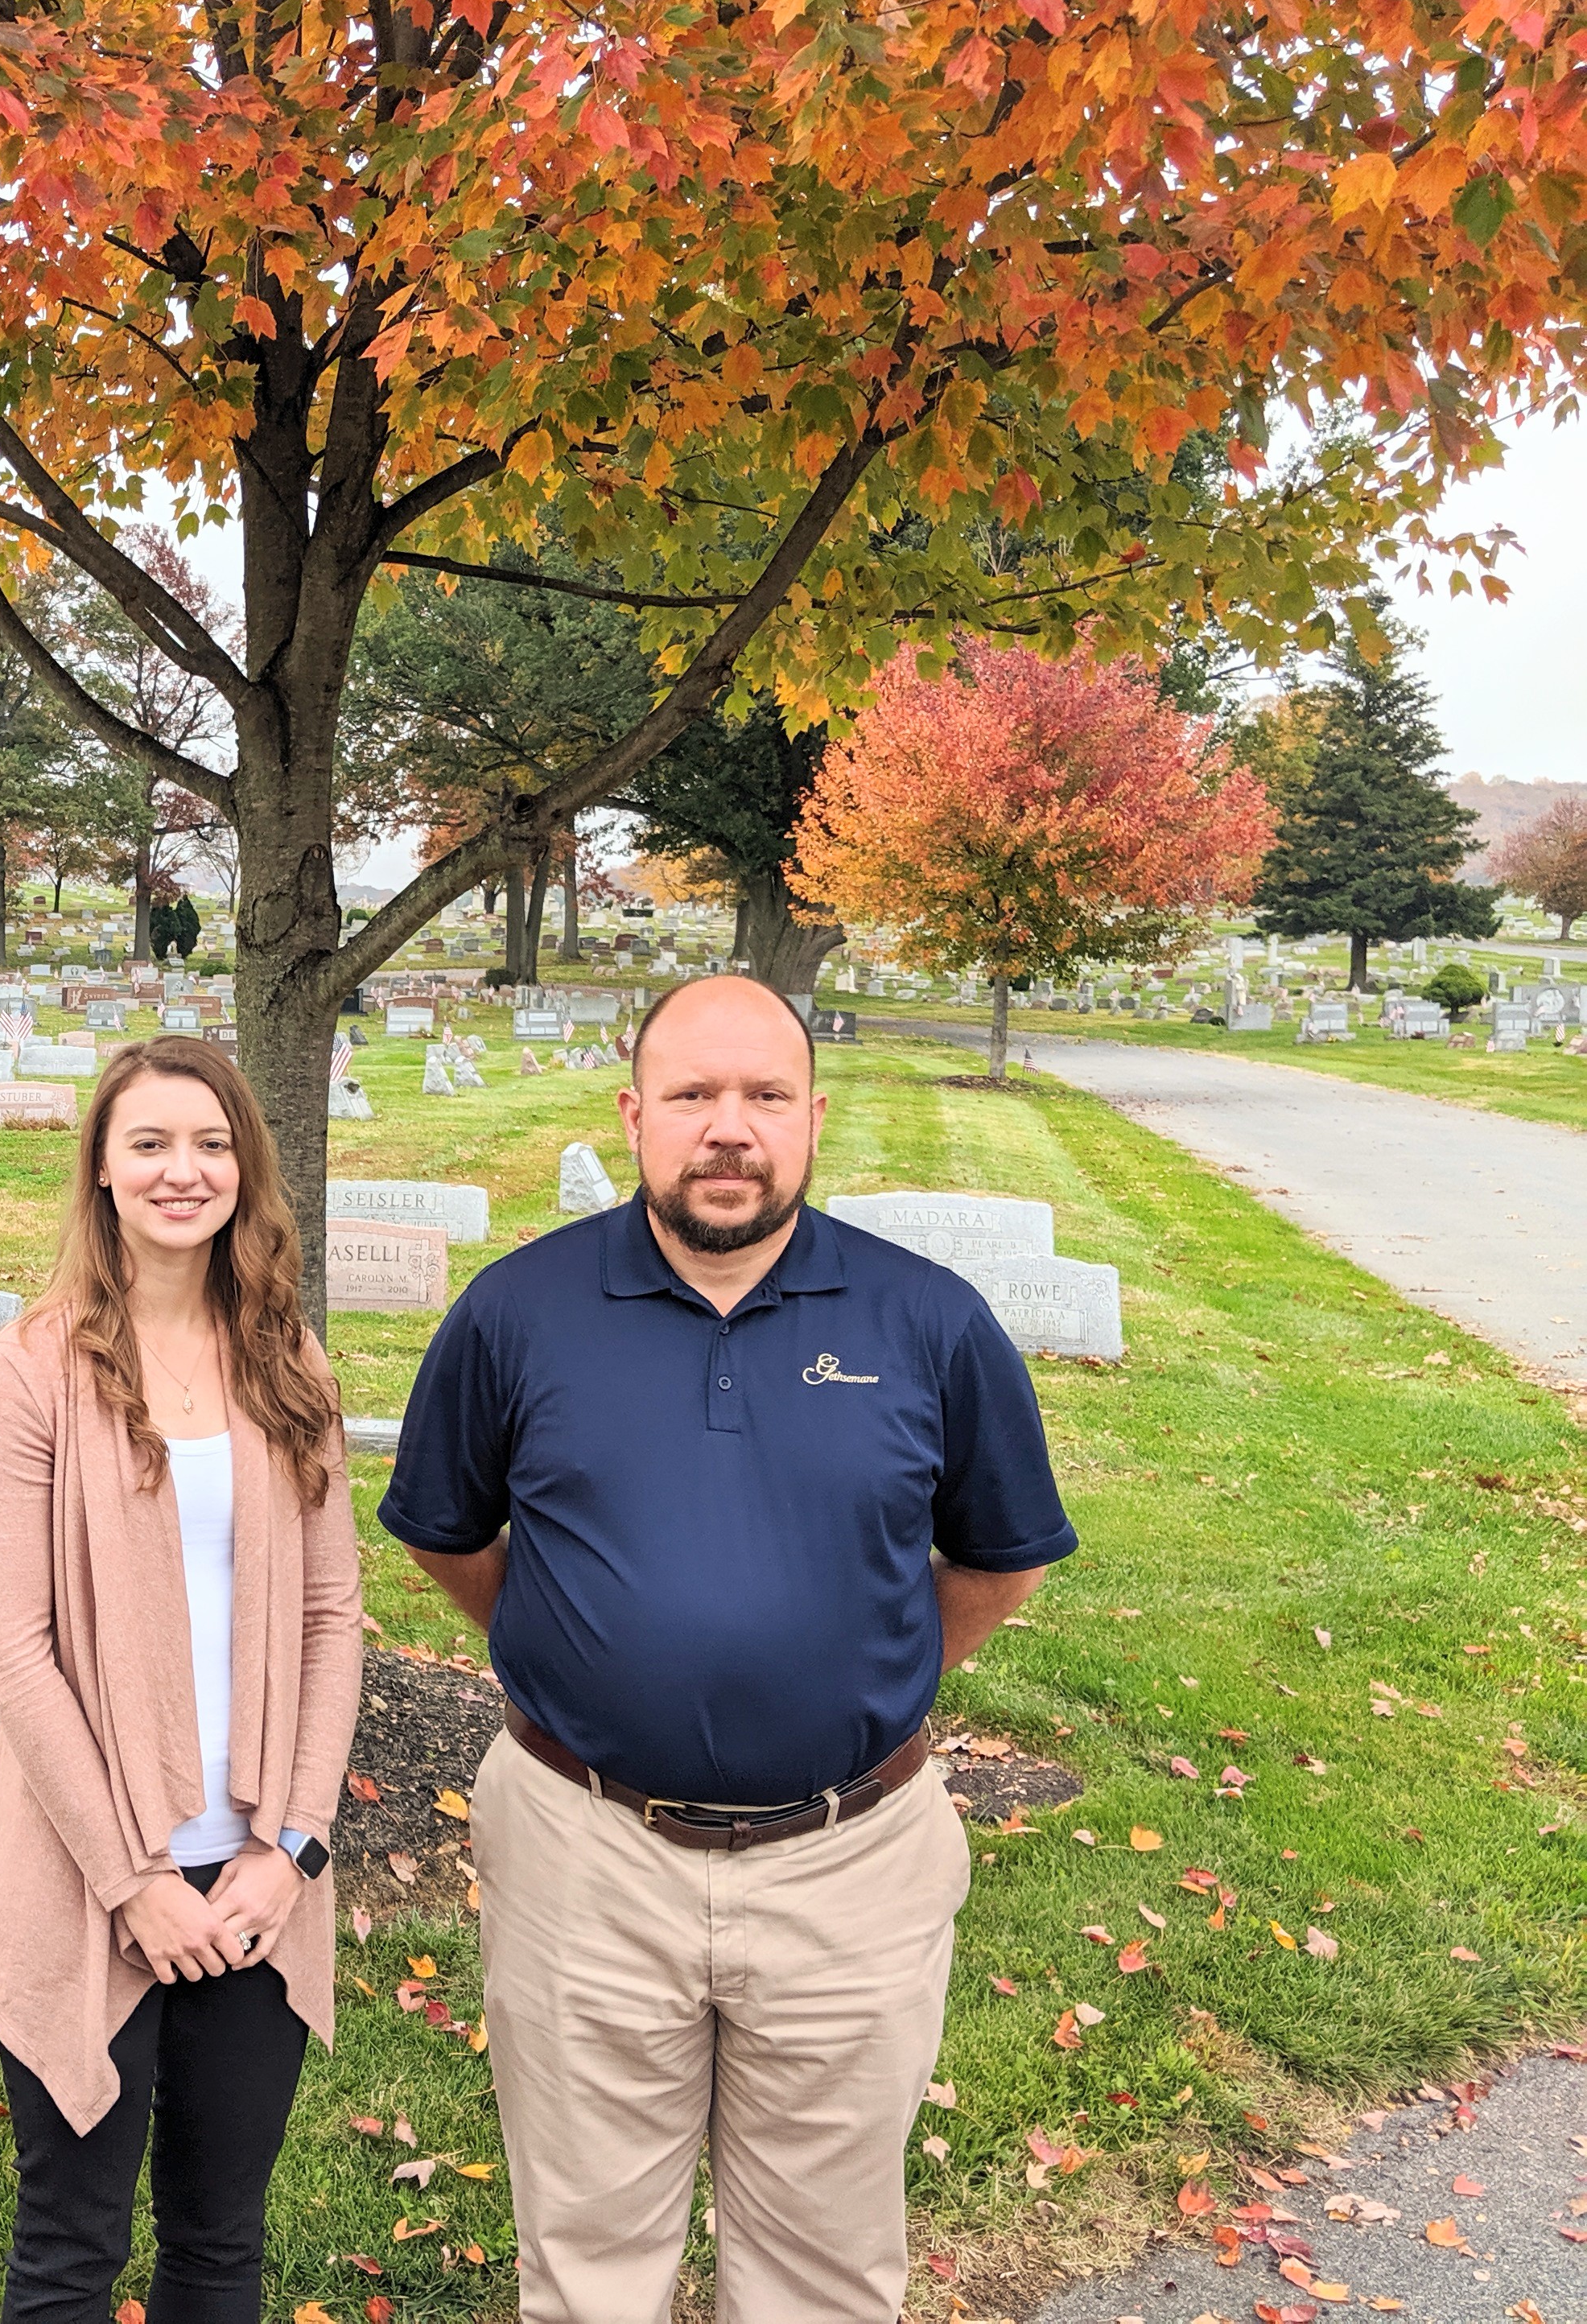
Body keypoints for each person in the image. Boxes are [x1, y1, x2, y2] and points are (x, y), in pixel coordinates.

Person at [378, 974, 1075, 2324]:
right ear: (636, 1115)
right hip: (587, 1853)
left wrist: (865, 1679)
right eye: (694, 1095)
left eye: (763, 1095)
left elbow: (1000, 1556)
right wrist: (585, 1654)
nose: (729, 1128)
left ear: (814, 1118)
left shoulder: (927, 1321)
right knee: (587, 2270)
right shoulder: (518, 1311)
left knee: (824, 2273)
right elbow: (449, 1535)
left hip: (853, 1863)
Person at [0, 1032, 364, 2323]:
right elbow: (15, 1653)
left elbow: (334, 1613)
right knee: (71, 2247)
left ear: (245, 1167)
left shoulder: (288, 1363)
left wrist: (289, 1848)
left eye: (211, 1142)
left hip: (255, 1882)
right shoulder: (27, 1371)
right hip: (88, 1872)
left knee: (218, 2243)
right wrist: (135, 1882)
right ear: (103, 1172)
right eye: (151, 1143)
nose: (183, 1170)